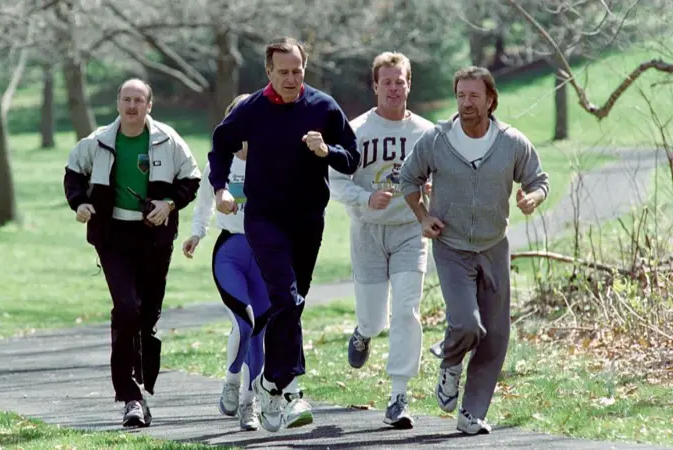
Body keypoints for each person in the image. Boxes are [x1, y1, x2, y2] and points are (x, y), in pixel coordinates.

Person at [207, 36, 360, 432]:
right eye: (284, 72)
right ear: (269, 72)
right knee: (285, 295)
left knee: (293, 303)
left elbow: (353, 158)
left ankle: (269, 386)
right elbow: (221, 143)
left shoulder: (324, 107)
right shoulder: (252, 110)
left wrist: (328, 151)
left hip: (308, 221)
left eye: (298, 71)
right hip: (264, 220)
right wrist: (220, 186)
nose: (292, 79)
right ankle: (289, 388)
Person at [399, 66, 549, 435]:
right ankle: (450, 362)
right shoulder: (437, 139)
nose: (466, 103)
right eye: (461, 95)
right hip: (450, 246)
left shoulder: (511, 142)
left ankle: (471, 413)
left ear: (490, 100)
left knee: (496, 335)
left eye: (474, 96)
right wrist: (422, 216)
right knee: (467, 323)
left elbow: (538, 180)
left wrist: (532, 198)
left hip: (494, 246)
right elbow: (408, 178)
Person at [63, 78, 201, 428]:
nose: (132, 106)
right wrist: (79, 204)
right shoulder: (98, 142)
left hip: (154, 237)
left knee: (147, 318)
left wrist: (169, 203)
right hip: (113, 236)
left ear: (149, 106)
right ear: (118, 103)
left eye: (139, 100)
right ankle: (130, 396)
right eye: (126, 99)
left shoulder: (168, 140)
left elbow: (192, 179)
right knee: (127, 308)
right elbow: (73, 175)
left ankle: (143, 386)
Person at [328, 51, 433, 429]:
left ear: (409, 84)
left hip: (409, 229)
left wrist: (432, 193)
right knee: (375, 318)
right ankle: (363, 333)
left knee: (406, 309)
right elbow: (337, 181)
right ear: (375, 86)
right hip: (368, 231)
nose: (394, 87)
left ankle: (398, 395)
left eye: (400, 80)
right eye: (386, 81)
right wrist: (365, 198)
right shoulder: (355, 131)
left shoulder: (426, 133)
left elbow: (441, 179)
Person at [181, 93, 268, 432]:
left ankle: (249, 402)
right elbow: (203, 202)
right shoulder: (219, 162)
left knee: (258, 332)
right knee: (243, 323)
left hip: (264, 254)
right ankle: (232, 378)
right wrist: (196, 234)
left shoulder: (270, 161)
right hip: (230, 251)